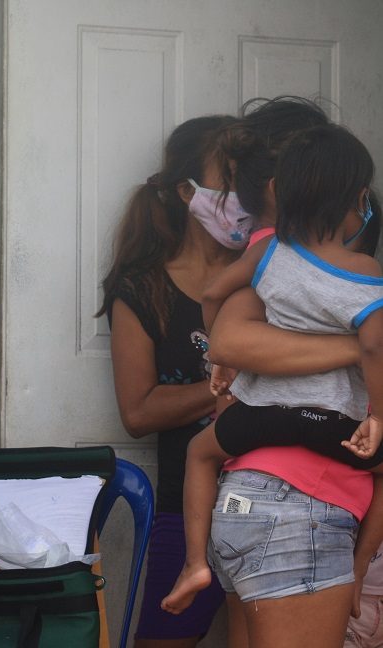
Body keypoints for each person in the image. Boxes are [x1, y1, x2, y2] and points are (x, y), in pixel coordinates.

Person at [162, 124, 383, 617]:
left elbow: (215, 294)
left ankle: (195, 562)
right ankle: (363, 563)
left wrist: (221, 359)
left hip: (253, 431)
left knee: (200, 453)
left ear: (277, 193)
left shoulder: (267, 252)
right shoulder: (365, 271)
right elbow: (373, 345)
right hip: (326, 433)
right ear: (358, 200)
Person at [98, 115, 241, 647]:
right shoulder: (143, 289)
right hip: (187, 510)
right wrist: (228, 383)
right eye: (230, 181)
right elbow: (137, 413)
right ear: (187, 192)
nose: (244, 196)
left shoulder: (269, 275)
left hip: (276, 503)